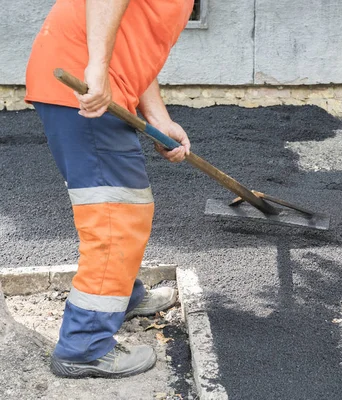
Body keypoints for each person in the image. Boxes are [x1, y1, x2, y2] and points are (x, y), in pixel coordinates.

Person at [24, 0, 194, 378]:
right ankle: (83, 347)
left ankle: (121, 299)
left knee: (122, 207)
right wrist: (96, 70)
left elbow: (134, 47)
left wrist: (159, 117)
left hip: (97, 83)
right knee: (117, 215)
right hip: (85, 87)